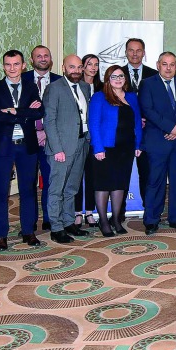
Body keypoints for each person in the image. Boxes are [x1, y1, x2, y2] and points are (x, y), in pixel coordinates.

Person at [0, 50, 43, 248]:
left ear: (23, 65)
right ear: (3, 66)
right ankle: (1, 235)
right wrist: (24, 113)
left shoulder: (31, 86)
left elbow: (39, 112)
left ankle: (28, 232)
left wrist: (13, 111)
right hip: (2, 147)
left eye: (16, 64)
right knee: (1, 192)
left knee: (28, 191)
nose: (12, 68)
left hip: (27, 147)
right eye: (8, 65)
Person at [138, 52, 176, 234]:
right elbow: (148, 110)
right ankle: (151, 220)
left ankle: (175, 218)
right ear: (158, 65)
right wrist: (170, 127)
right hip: (158, 141)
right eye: (165, 64)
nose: (169, 68)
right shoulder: (147, 84)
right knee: (155, 182)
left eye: (172, 64)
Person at [42, 55, 94, 244]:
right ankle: (56, 228)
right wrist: (57, 149)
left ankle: (69, 222)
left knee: (72, 188)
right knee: (57, 189)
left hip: (81, 143)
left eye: (79, 67)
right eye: (72, 67)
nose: (76, 71)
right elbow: (49, 120)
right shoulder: (53, 88)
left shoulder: (85, 87)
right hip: (61, 148)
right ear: (63, 67)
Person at [88, 65, 140, 237]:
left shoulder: (132, 97)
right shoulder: (99, 97)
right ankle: (103, 221)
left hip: (126, 148)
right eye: (114, 76)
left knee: (120, 185)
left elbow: (137, 123)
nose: (118, 79)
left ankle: (116, 220)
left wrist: (138, 144)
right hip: (106, 148)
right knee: (103, 185)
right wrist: (98, 147)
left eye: (121, 76)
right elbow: (94, 124)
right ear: (107, 79)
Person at [29, 45, 61, 231]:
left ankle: (49, 217)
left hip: (52, 139)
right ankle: (30, 219)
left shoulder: (60, 81)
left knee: (51, 181)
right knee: (28, 182)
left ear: (51, 59)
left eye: (46, 56)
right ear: (31, 60)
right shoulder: (21, 79)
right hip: (27, 139)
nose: (43, 59)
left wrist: (46, 132)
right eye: (38, 56)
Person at [75, 53, 103, 228]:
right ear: (83, 67)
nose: (93, 68)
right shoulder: (76, 86)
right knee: (77, 175)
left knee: (93, 176)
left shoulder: (102, 87)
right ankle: (77, 212)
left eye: (96, 65)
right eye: (89, 64)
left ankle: (90, 212)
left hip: (97, 138)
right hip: (79, 137)